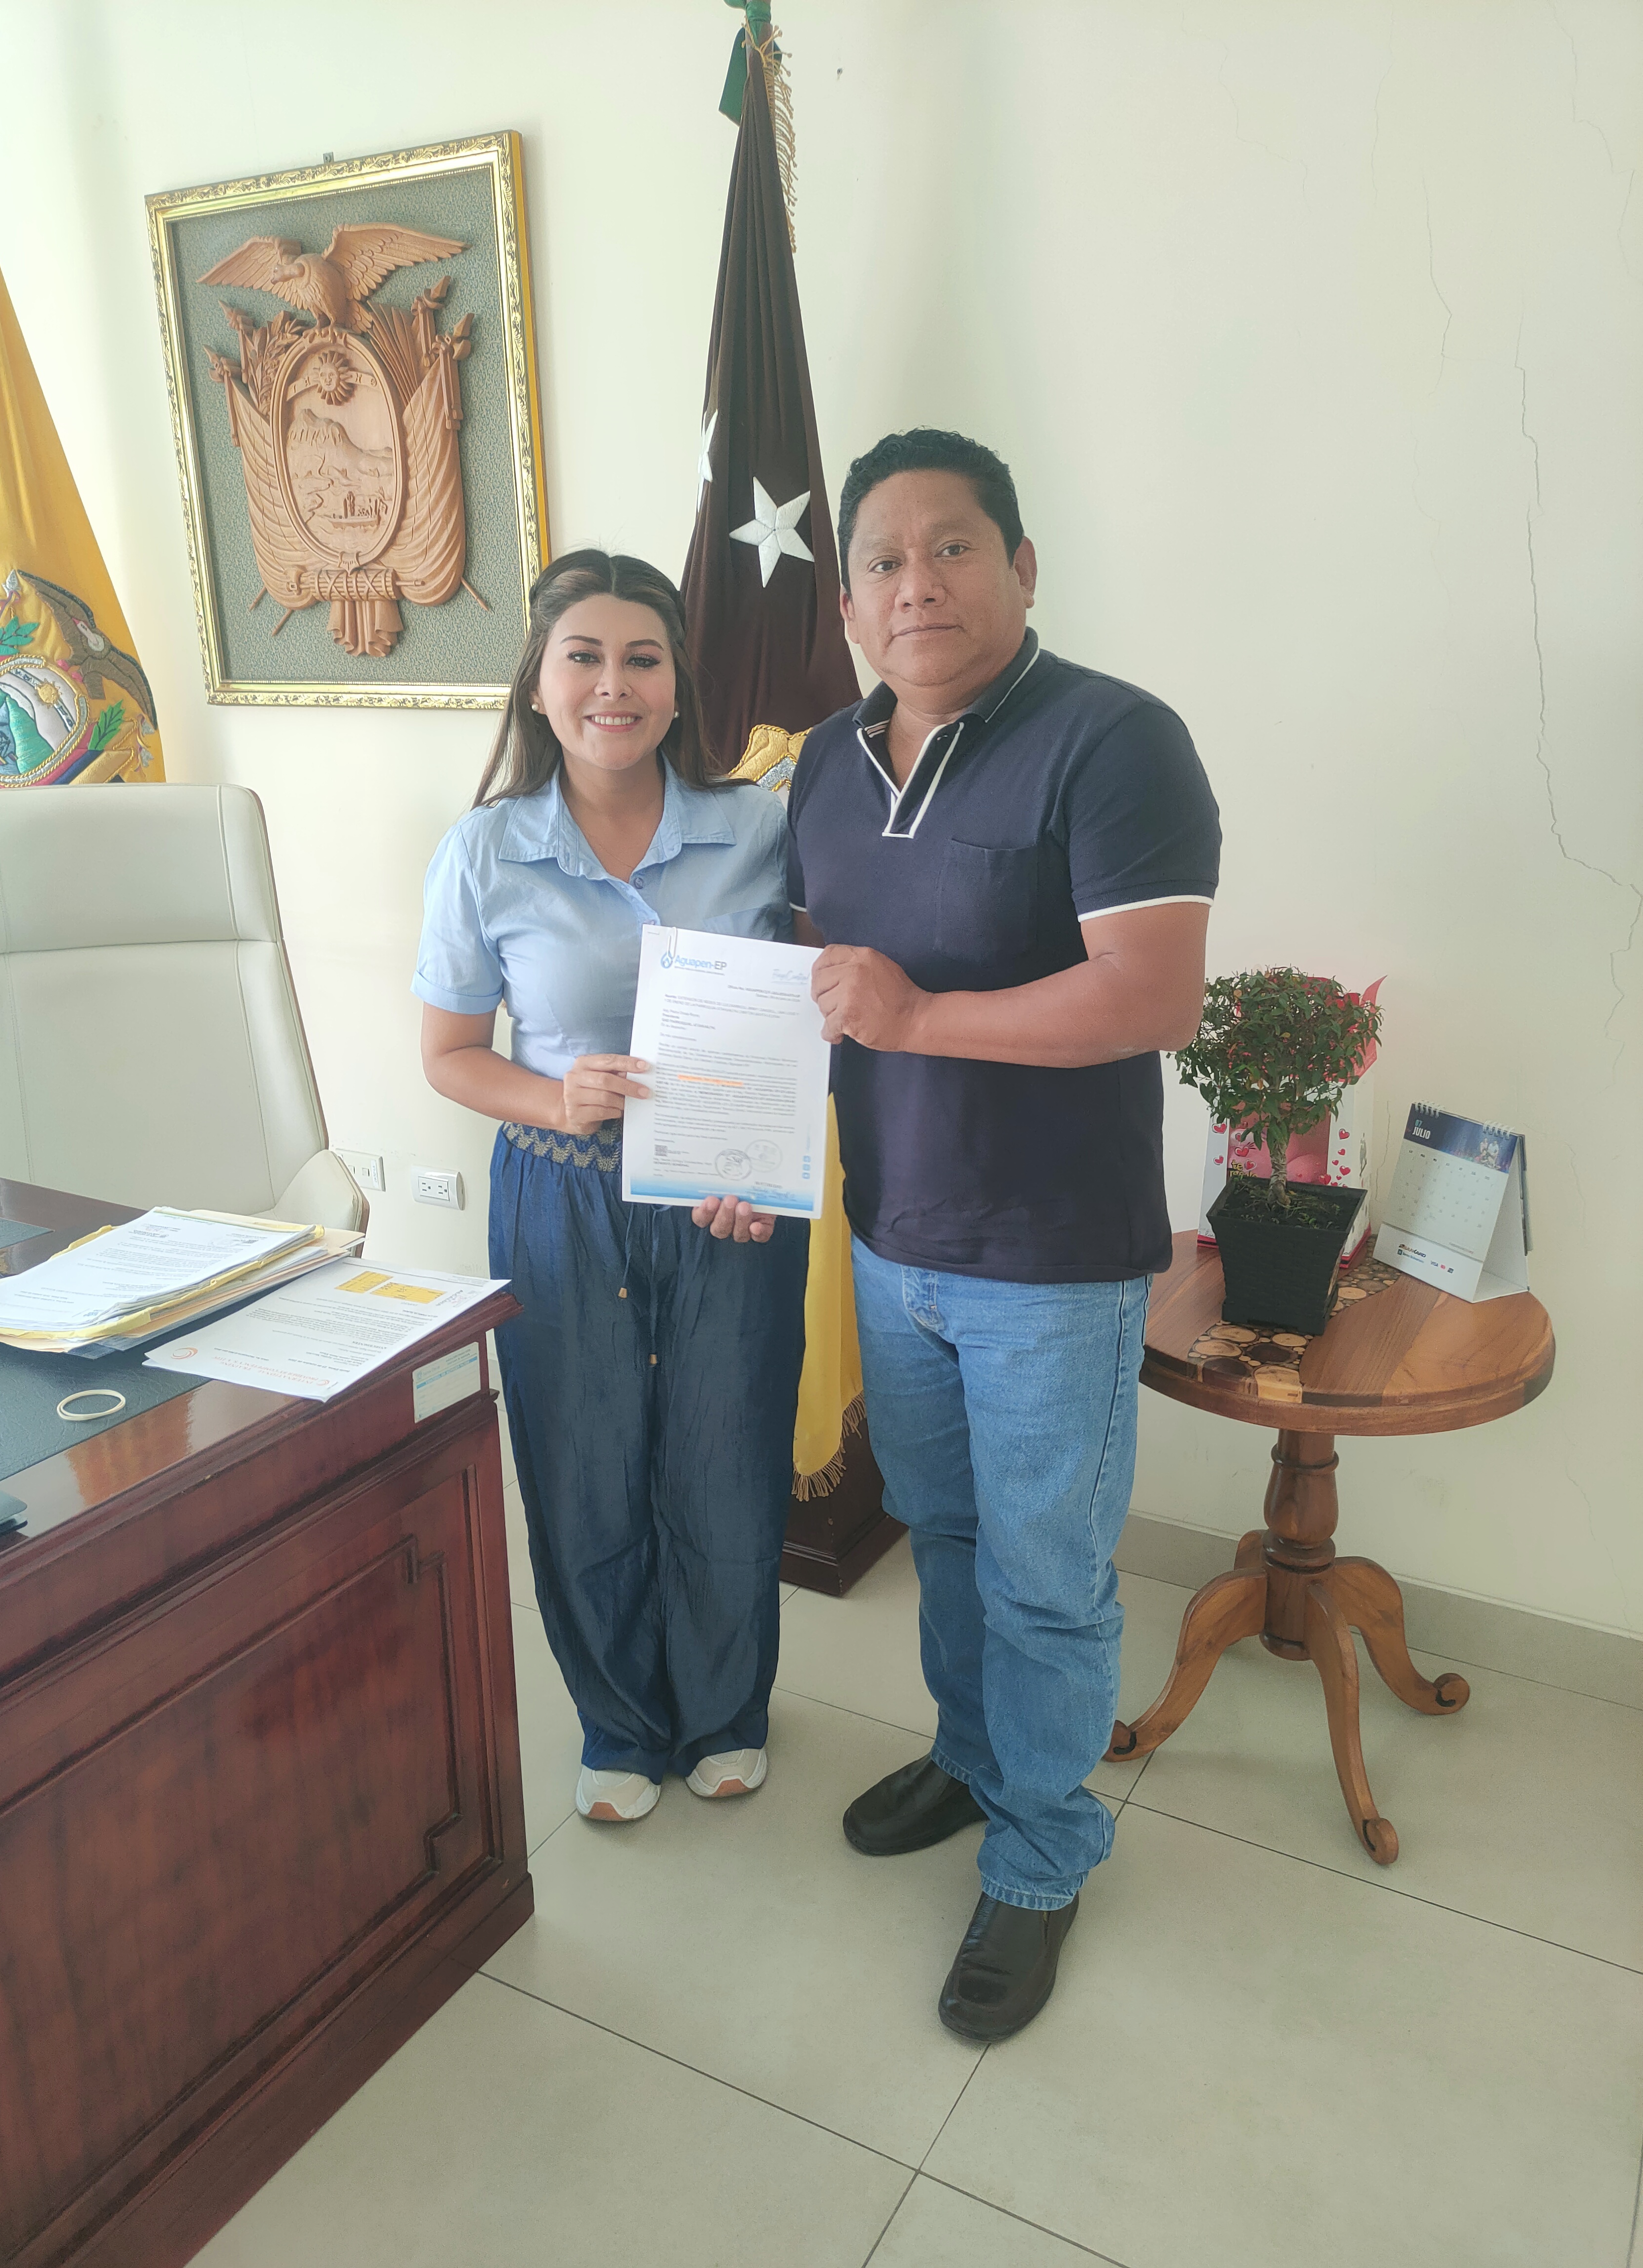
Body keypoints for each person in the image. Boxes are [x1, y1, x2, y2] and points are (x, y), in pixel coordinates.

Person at [789, 429, 1219, 2039]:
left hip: (1050, 1258)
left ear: (1023, 567)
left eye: (953, 547)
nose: (919, 583)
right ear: (848, 603)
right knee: (945, 1537)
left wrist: (918, 1018)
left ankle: (1042, 1854)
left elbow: (1150, 996)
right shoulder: (823, 763)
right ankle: (974, 1760)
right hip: (891, 1235)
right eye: (883, 561)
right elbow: (809, 975)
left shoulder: (1113, 739)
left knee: (1046, 1581)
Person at [414, 549, 808, 1825]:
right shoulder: (485, 851)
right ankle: (621, 1723)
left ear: (679, 682)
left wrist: (771, 1162)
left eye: (643, 658)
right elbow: (450, 1055)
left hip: (727, 1200)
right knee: (581, 1457)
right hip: (560, 1192)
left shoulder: (760, 830)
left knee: (727, 1447)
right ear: (538, 682)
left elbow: (815, 1011)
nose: (613, 686)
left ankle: (725, 1711)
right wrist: (556, 1097)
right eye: (583, 657)